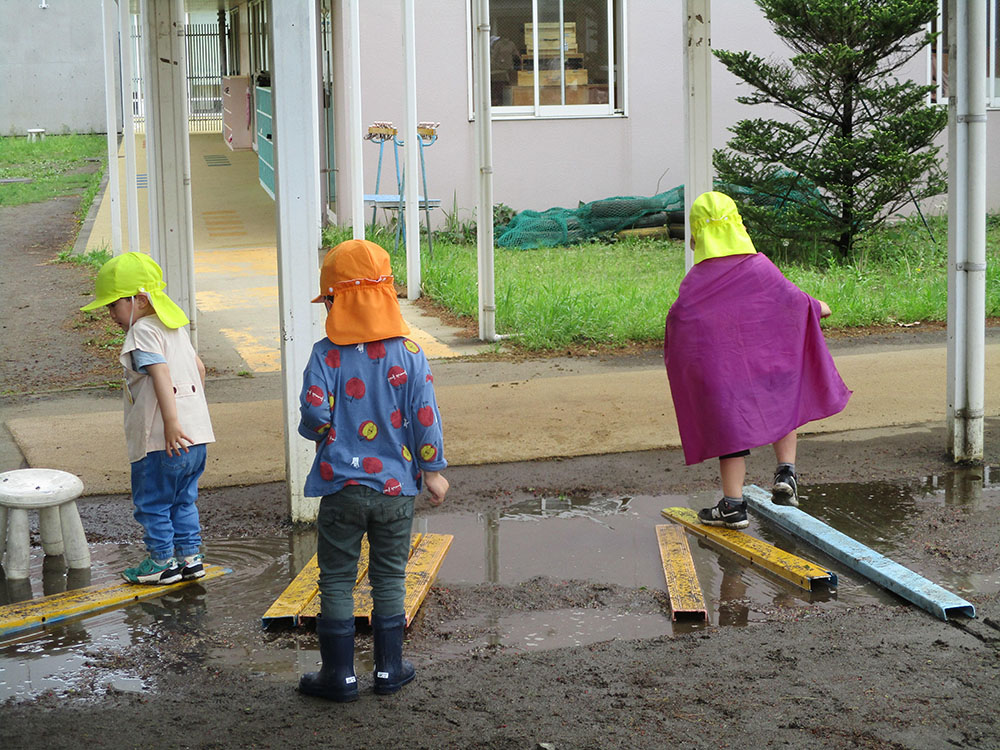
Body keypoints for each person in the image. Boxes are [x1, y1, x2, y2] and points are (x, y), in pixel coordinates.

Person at [297, 238, 449, 702]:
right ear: (387, 296)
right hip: (395, 490)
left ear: (334, 301)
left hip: (341, 489)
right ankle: (389, 669)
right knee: (388, 577)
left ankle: (339, 676)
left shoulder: (326, 356)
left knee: (337, 577)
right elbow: (425, 417)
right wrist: (433, 470)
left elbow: (314, 412)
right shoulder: (411, 354)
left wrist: (324, 432)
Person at [664, 191, 851, 529]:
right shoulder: (760, 266)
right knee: (784, 399)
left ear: (696, 236)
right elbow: (793, 301)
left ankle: (733, 506)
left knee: (730, 430)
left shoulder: (697, 280)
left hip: (726, 375)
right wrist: (818, 307)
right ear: (739, 225)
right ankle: (786, 473)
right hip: (771, 366)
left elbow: (681, 320)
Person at [81, 252, 214, 584]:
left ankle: (161, 562)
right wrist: (187, 415)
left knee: (153, 502)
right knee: (184, 498)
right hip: (196, 438)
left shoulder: (141, 333)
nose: (109, 313)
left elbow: (159, 372)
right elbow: (199, 369)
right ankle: (190, 557)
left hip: (161, 440)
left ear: (139, 299)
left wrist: (170, 422)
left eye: (113, 305)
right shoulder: (173, 327)